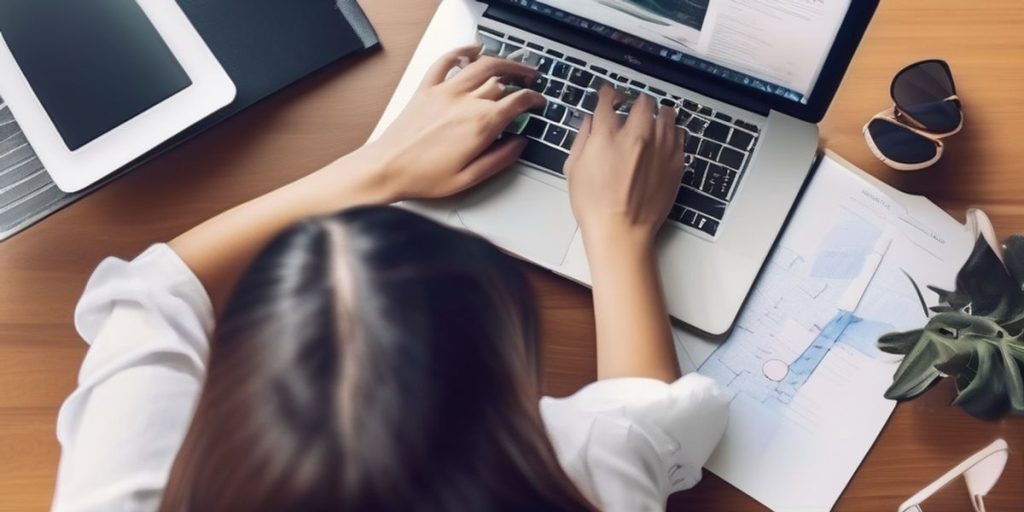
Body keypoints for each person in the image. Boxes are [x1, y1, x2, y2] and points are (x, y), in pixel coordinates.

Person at [51, 45, 728, 512]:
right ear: (510, 411)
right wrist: (619, 234)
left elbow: (148, 298)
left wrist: (383, 165)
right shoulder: (587, 475)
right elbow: (650, 415)